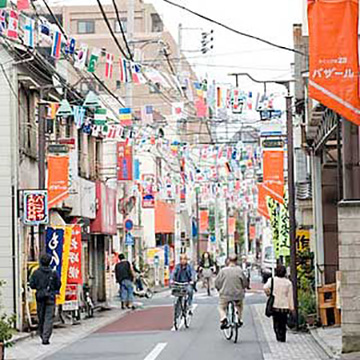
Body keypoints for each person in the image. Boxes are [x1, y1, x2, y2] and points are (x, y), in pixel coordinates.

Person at [29, 253, 61, 345]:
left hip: (40, 297)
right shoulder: (53, 273)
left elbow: (32, 285)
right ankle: (46, 337)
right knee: (49, 317)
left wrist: (39, 288)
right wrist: (53, 290)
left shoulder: (36, 272)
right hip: (50, 297)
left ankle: (42, 334)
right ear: (50, 262)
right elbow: (58, 284)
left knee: (41, 316)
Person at [215, 254, 248, 329]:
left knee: (221, 307)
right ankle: (239, 319)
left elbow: (217, 282)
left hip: (225, 294)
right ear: (236, 261)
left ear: (228, 261)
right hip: (238, 294)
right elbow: (245, 283)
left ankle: (223, 318)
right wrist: (244, 287)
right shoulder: (240, 270)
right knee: (239, 306)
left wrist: (219, 289)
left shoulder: (223, 271)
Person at [264, 265, 295, 342]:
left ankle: (278, 334)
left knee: (276, 321)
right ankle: (283, 336)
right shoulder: (288, 283)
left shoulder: (272, 280)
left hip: (275, 304)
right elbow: (290, 296)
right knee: (283, 322)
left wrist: (269, 293)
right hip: (285, 306)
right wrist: (292, 308)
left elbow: (265, 287)